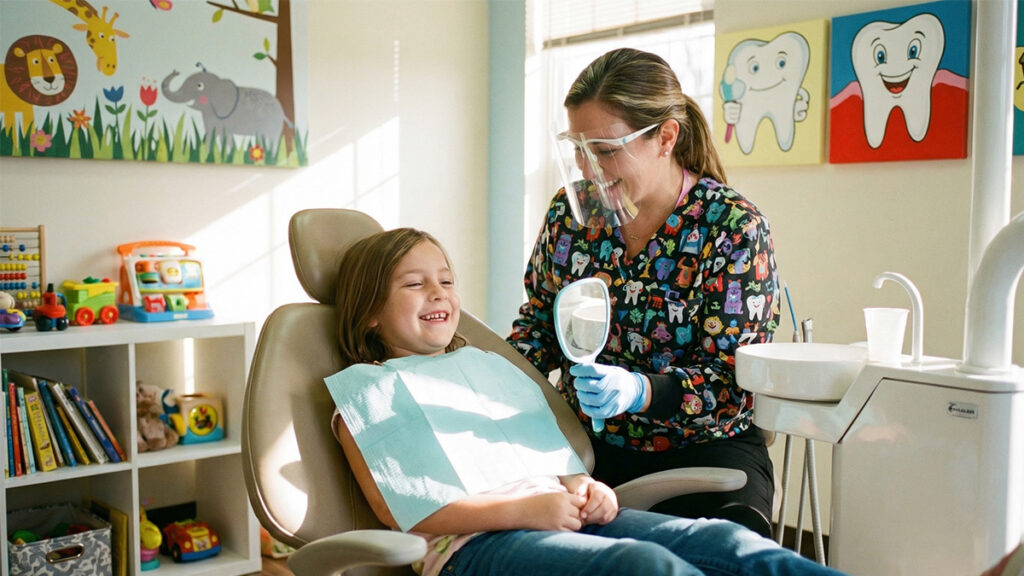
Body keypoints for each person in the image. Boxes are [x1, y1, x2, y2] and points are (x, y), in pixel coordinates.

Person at [326, 227, 848, 576]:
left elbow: (540, 452)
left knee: (731, 546)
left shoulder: (484, 366)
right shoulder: (369, 394)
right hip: (471, 548)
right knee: (644, 567)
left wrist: (584, 487)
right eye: (415, 285)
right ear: (370, 311)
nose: (438, 293)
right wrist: (524, 509)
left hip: (561, 513)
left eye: (446, 281)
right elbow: (408, 513)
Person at [508, 47, 779, 537]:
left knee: (727, 556)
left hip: (704, 449)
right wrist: (479, 375)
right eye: (578, 148)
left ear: (666, 137)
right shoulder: (570, 217)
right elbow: (537, 328)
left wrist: (640, 391)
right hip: (585, 453)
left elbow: (735, 385)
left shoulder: (732, 227)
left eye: (606, 150)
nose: (588, 169)